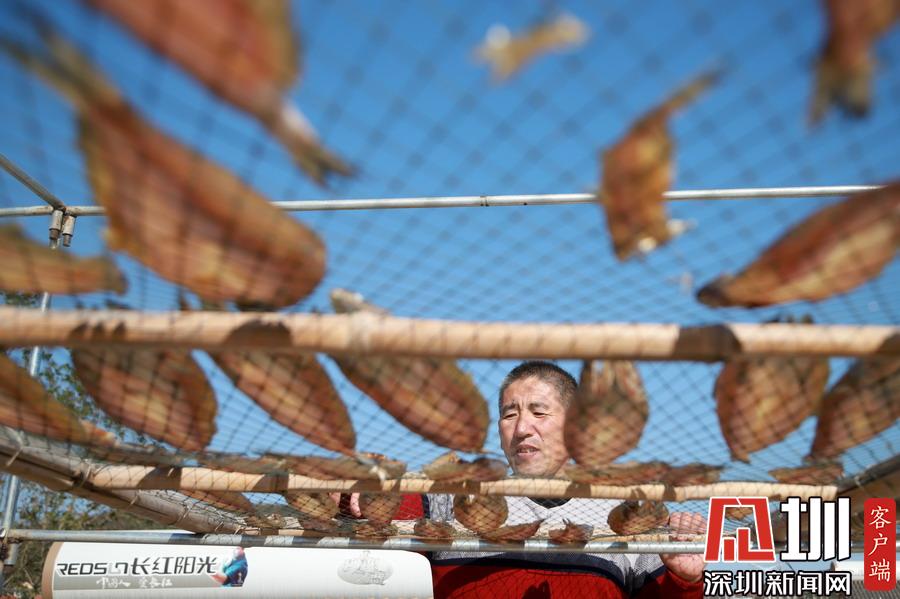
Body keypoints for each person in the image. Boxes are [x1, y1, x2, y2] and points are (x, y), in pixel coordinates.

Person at [426, 360, 705, 598]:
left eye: (539, 412)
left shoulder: (628, 516)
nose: (521, 428)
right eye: (509, 414)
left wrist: (684, 580)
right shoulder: (455, 497)